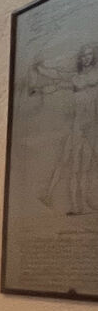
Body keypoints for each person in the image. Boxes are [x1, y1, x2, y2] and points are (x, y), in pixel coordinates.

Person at [33, 45, 98, 215]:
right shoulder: (76, 78)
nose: (87, 58)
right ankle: (76, 206)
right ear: (80, 58)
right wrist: (41, 71)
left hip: (90, 126)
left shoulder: (91, 77)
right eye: (84, 55)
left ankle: (79, 202)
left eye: (90, 55)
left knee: (83, 165)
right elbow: (57, 80)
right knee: (76, 166)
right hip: (79, 127)